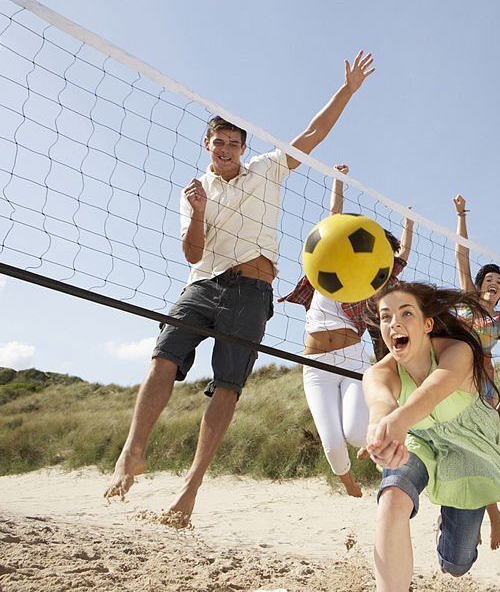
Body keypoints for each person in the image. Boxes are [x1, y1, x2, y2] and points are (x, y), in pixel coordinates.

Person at [103, 52, 376, 522]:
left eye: (234, 142)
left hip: (251, 291)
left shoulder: (268, 170)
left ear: (243, 148)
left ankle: (190, 489)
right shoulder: (195, 191)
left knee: (227, 386)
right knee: (161, 359)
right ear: (207, 144)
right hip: (203, 283)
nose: (226, 148)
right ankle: (132, 451)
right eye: (219, 142)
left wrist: (347, 91)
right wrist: (202, 211)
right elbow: (191, 253)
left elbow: (311, 134)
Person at [363, 282, 500, 591]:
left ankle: (449, 532)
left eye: (405, 312)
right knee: (392, 498)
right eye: (386, 316)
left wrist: (397, 419)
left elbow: (433, 391)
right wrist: (379, 433)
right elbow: (380, 404)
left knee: (456, 564)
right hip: (418, 438)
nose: (394, 322)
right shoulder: (378, 373)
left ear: (427, 324)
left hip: (468, 446)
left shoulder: (458, 350)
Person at [279, 164, 413, 498]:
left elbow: (400, 260)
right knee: (333, 442)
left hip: (353, 360)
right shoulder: (324, 268)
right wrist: (338, 181)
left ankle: (396, 471)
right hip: (317, 366)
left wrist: (409, 224)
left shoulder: (368, 285)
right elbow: (332, 219)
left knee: (356, 433)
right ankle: (348, 482)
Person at [452, 193, 500, 549]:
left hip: (484, 389)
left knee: (480, 451)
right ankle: (459, 517)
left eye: (499, 281)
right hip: (453, 382)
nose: (494, 282)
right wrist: (462, 214)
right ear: (479, 285)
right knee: (452, 449)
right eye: (488, 278)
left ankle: (490, 512)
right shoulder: (466, 301)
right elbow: (462, 252)